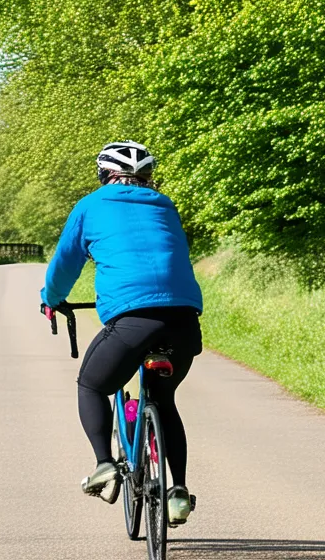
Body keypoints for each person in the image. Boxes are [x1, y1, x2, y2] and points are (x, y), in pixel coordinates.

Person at [39, 140, 203, 526]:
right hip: (183, 320)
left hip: (132, 319)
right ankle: (178, 491)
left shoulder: (91, 206)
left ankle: (105, 466)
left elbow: (65, 264)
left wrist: (52, 299)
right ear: (148, 177)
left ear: (103, 175)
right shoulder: (164, 205)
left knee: (92, 386)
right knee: (165, 401)